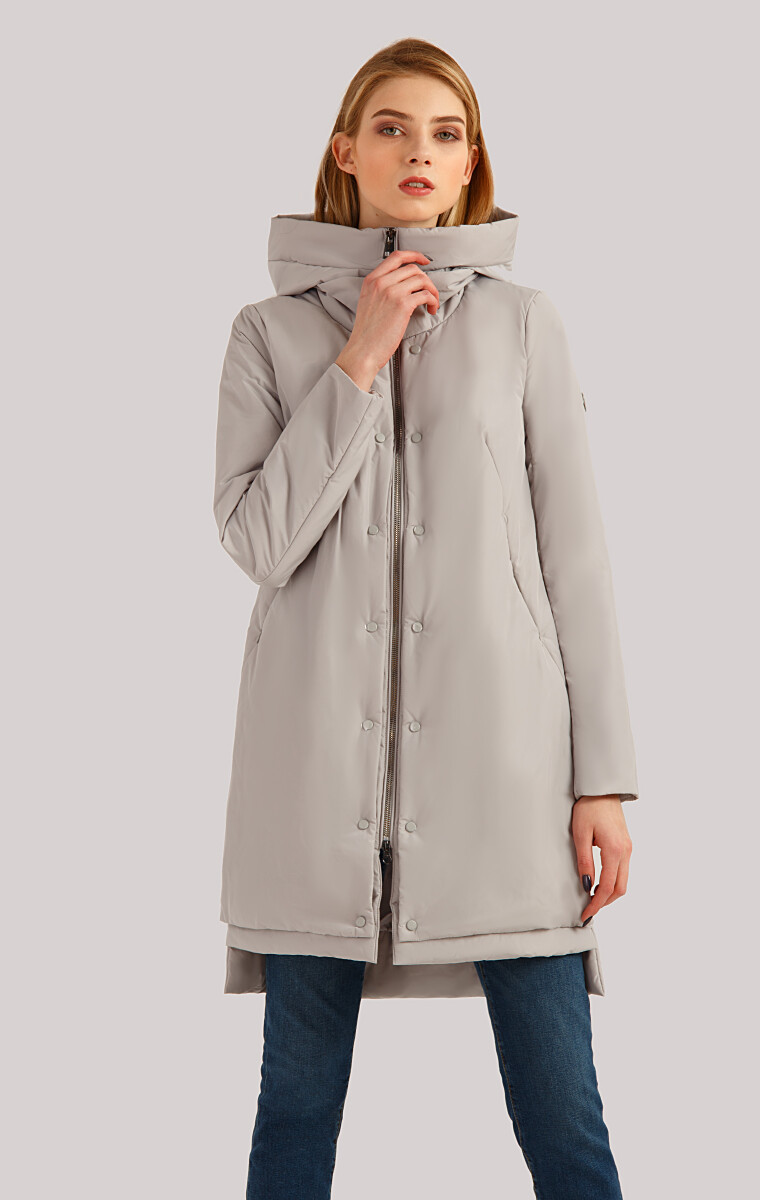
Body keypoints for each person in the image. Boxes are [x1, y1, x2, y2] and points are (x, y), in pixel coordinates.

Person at [213, 36, 639, 1200]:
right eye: (392, 127)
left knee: (562, 1114)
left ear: (468, 164)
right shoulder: (267, 333)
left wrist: (601, 780)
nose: (419, 151)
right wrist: (356, 360)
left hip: (507, 776)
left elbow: (576, 560)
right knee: (294, 1109)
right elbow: (255, 541)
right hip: (311, 783)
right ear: (344, 152)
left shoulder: (523, 325)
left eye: (445, 134)